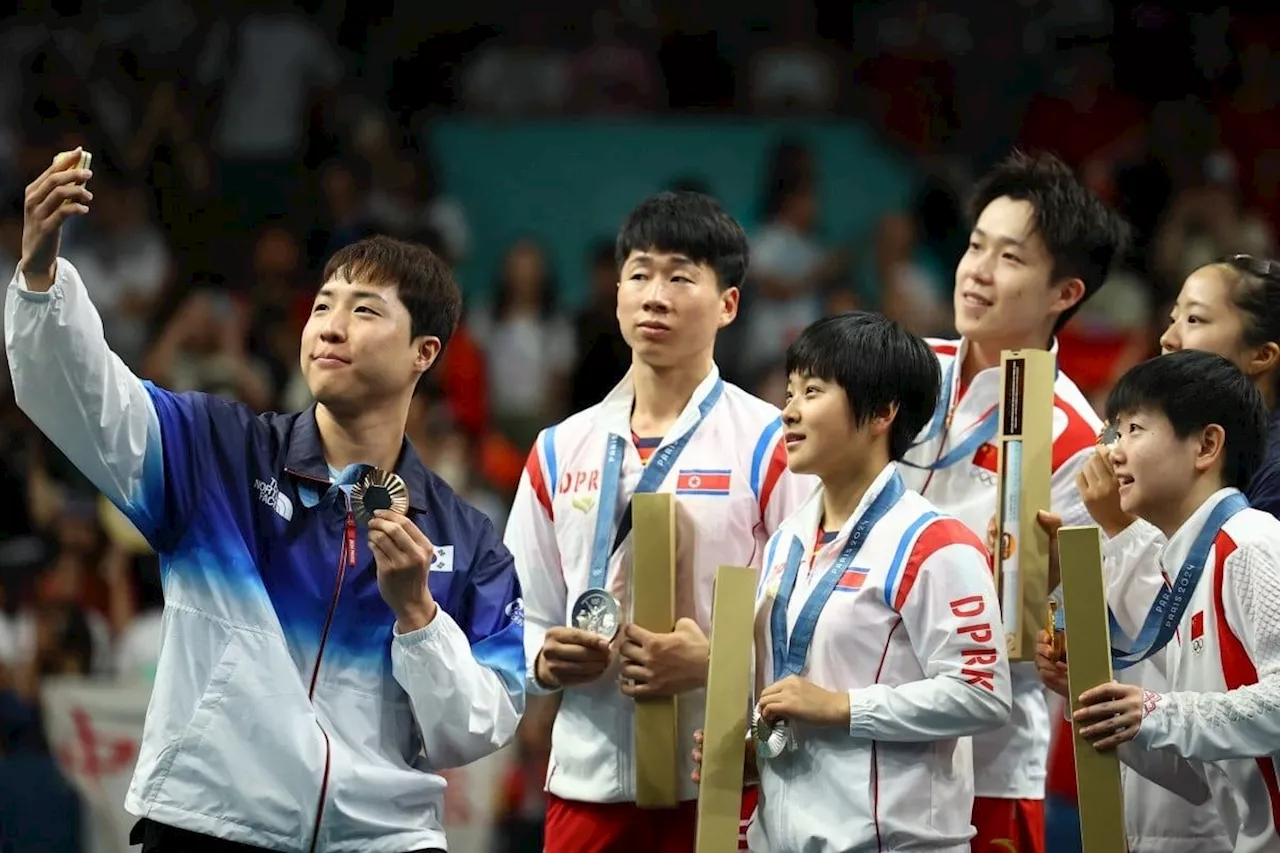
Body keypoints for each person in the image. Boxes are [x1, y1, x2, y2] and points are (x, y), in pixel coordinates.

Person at [7, 149, 525, 852]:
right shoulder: (215, 451)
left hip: (382, 840)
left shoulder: (470, 540)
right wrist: (41, 279)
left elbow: (474, 729)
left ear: (423, 353)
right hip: (211, 823)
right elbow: (85, 399)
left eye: (365, 309)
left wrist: (419, 616)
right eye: (323, 306)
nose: (330, 326)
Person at [504, 190, 815, 853]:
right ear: (617, 291)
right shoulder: (559, 449)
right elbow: (511, 611)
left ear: (728, 303)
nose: (655, 294)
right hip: (586, 786)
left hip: (725, 779)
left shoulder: (772, 444)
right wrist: (544, 658)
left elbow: (815, 615)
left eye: (681, 276)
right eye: (640, 273)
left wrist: (718, 661)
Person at [691, 312, 1012, 852]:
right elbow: (798, 687)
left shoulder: (935, 544)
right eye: (789, 392)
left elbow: (982, 696)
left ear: (883, 411)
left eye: (812, 392)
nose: (787, 412)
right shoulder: (786, 541)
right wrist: (761, 750)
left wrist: (842, 708)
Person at [896, 150, 1129, 852]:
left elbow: (1040, 642)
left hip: (984, 770)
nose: (978, 270)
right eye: (974, 247)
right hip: (854, 741)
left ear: (1065, 291)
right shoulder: (901, 377)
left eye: (1010, 257)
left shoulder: (1078, 444)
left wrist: (1038, 587)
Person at [1036, 254, 1280, 851]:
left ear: (1207, 445)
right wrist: (1105, 708)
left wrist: (1154, 709)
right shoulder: (1182, 567)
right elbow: (1197, 780)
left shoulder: (1251, 544)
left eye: (1133, 431)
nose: (1112, 452)